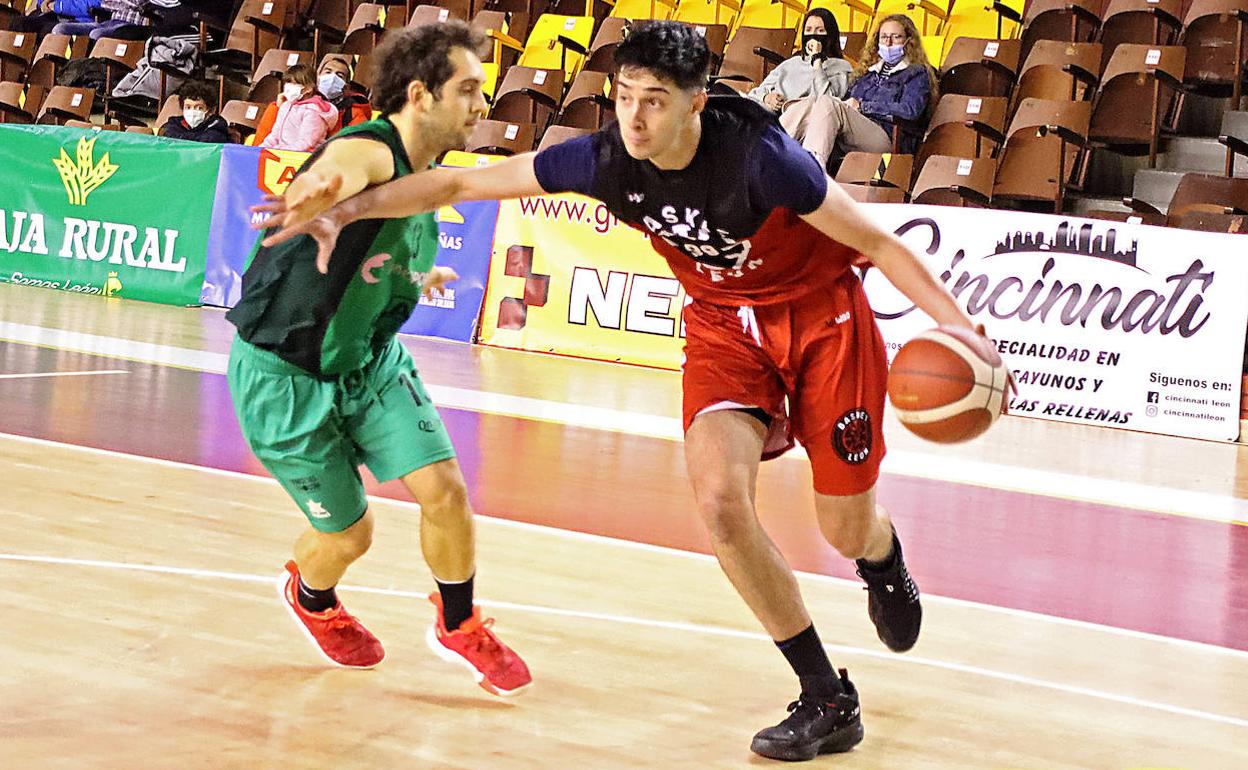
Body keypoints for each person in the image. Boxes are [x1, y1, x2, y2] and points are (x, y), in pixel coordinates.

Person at [257, 20, 1002, 762]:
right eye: (623, 97)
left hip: (820, 318)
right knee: (718, 501)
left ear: (696, 103)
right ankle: (825, 696)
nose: (634, 118)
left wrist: (964, 333)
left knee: (843, 528)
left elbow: (877, 244)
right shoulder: (605, 159)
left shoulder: (767, 161)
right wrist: (344, 207)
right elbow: (461, 182)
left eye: (654, 101)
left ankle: (879, 557)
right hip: (723, 329)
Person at [226, 22, 531, 696]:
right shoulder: (370, 147)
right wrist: (318, 193)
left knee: (446, 491)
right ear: (420, 95)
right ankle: (311, 597)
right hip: (287, 378)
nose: (482, 106)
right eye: (469, 91)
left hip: (370, 362)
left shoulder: (429, 176)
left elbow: (394, 241)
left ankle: (458, 623)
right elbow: (344, 170)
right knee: (351, 533)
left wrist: (418, 280)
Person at [781, 13, 936, 165]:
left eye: (896, 37)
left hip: (887, 135)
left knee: (828, 102)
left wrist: (863, 106)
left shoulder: (916, 73)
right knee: (813, 103)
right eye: (884, 37)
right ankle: (770, 152)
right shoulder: (868, 73)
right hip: (855, 131)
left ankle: (811, 171)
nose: (888, 42)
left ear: (908, 41)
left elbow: (910, 110)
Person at [747, 9, 853, 113]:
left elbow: (827, 103)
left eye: (820, 30)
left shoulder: (841, 67)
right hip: (768, 114)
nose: (813, 35)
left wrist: (817, 59)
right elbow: (754, 94)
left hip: (798, 119)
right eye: (808, 30)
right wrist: (767, 98)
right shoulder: (791, 63)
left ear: (830, 35)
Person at [256, 64, 339, 152]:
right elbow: (274, 135)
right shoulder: (286, 106)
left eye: (294, 83)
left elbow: (306, 143)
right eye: (288, 82)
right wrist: (260, 150)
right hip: (281, 154)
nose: (288, 86)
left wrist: (278, 151)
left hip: (304, 158)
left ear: (309, 88)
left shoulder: (314, 111)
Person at [318, 54, 374, 134]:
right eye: (328, 72)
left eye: (339, 76)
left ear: (346, 87)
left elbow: (360, 141)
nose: (332, 78)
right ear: (317, 78)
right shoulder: (301, 104)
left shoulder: (353, 113)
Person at [161, 80, 230, 143]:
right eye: (188, 107)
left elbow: (211, 139)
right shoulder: (175, 123)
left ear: (210, 110)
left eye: (199, 108)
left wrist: (182, 138)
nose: (192, 112)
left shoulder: (217, 126)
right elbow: (167, 134)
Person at [51, 0, 150, 40]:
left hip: (135, 23)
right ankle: (72, 70)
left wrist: (57, 6)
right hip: (112, 20)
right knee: (59, 29)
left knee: (96, 33)